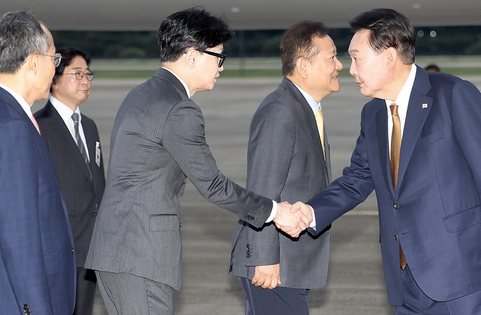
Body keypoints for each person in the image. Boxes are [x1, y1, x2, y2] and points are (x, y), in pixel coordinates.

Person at [292, 8, 481, 314]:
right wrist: (310, 211)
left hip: (465, 272)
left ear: (388, 57)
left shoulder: (453, 94)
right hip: (406, 277)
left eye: (356, 58)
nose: (350, 69)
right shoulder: (373, 114)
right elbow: (357, 179)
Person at [84, 7, 310, 315]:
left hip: (117, 252)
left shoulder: (141, 93)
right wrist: (275, 211)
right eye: (218, 57)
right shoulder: (179, 109)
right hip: (141, 256)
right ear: (192, 56)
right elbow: (213, 185)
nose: (220, 67)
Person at [229, 21, 342, 315]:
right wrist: (264, 258)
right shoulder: (280, 111)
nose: (339, 65)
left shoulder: (305, 108)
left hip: (291, 263)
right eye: (331, 57)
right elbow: (262, 189)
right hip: (275, 266)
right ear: (304, 66)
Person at [0, 11, 76, 315]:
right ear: (33, 62)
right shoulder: (12, 127)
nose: (54, 70)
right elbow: (19, 237)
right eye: (53, 59)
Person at [34, 47, 105, 315]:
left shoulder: (89, 126)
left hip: (92, 248)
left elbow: (97, 185)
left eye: (88, 74)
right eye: (77, 74)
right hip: (60, 250)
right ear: (54, 79)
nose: (85, 81)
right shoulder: (39, 126)